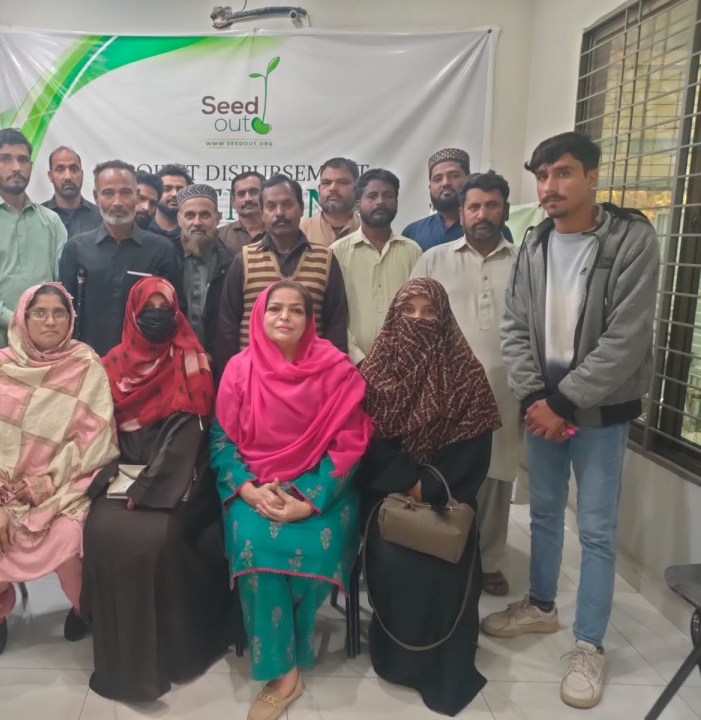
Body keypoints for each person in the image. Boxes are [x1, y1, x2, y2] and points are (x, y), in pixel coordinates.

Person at [485, 132, 660, 710]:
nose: (549, 186)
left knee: (597, 529)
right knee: (541, 513)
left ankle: (588, 645)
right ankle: (540, 606)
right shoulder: (533, 242)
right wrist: (537, 397)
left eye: (562, 173)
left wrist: (562, 404)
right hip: (542, 407)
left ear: (591, 177)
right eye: (542, 176)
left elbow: (627, 338)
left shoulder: (631, 238)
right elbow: (514, 326)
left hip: (599, 412)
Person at [211, 280, 372, 720]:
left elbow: (349, 445)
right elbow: (222, 441)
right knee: (256, 550)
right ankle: (285, 674)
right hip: (256, 487)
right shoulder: (239, 369)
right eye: (275, 308)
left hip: (323, 490)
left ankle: (282, 652)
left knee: (311, 550)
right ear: (259, 316)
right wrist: (247, 489)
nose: (284, 317)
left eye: (295, 310)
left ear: (309, 319)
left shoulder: (336, 370)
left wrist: (308, 501)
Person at [81, 276, 234, 702]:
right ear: (132, 314)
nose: (156, 317)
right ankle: (120, 660)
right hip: (123, 466)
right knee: (101, 530)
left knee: (157, 536)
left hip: (183, 474)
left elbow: (193, 430)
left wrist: (153, 485)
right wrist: (110, 471)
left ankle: (175, 653)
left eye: (164, 309)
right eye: (147, 309)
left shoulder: (192, 358)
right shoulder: (111, 363)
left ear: (176, 311)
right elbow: (98, 427)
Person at [358, 278, 500, 716]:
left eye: (429, 311)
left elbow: (475, 448)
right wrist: (405, 482)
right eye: (409, 310)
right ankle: (397, 658)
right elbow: (365, 442)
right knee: (396, 558)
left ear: (444, 319)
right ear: (394, 316)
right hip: (389, 499)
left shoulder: (466, 375)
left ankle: (442, 662)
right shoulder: (373, 375)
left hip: (447, 499)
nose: (418, 320)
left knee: (445, 563)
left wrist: (430, 487)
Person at [0, 282, 119, 656]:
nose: (50, 321)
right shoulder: (1, 366)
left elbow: (95, 442)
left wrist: (45, 484)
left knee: (70, 540)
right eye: (40, 313)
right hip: (3, 488)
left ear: (71, 319)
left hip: (65, 488)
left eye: (59, 313)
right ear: (23, 317)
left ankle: (82, 610)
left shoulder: (85, 363)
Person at [411, 170, 519, 597]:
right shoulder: (434, 259)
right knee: (447, 472)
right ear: (461, 210)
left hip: (505, 390)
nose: (482, 214)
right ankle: (442, 548)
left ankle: (489, 559)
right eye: (474, 206)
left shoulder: (524, 261)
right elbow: (413, 322)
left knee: (497, 478)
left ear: (505, 210)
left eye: (492, 205)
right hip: (445, 391)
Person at [215, 174, 349, 375]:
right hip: (254, 377)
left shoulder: (325, 259)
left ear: (301, 208)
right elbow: (227, 328)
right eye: (271, 206)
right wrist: (232, 377)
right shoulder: (244, 259)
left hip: (311, 378)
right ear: (262, 212)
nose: (279, 213)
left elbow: (336, 326)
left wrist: (333, 376)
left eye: (287, 204)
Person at [57, 160, 181, 357]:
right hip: (88, 361)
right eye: (108, 193)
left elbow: (175, 314)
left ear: (136, 195)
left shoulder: (162, 250)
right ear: (96, 197)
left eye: (125, 192)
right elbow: (64, 312)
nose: (117, 202)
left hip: (145, 362)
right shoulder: (76, 249)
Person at [0, 128, 67, 347]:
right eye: (5, 159)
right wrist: (14, 319)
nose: (16, 167)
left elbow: (60, 283)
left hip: (44, 342)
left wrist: (42, 321)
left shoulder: (51, 221)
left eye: (23, 160)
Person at [331, 168, 420, 366]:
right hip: (351, 366)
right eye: (372, 196)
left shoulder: (413, 251)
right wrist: (359, 360)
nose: (380, 201)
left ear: (396, 202)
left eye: (387, 195)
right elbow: (334, 315)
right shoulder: (337, 253)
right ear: (358, 205)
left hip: (403, 365)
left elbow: (418, 311)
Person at [403, 148, 513, 251]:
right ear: (430, 187)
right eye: (438, 179)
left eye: (454, 176)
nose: (445, 183)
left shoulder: (493, 229)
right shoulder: (413, 232)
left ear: (468, 180)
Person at [177, 183, 232, 361]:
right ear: (179, 219)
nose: (197, 222)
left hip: (217, 362)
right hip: (172, 362)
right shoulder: (165, 259)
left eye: (205, 215)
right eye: (190, 215)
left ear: (218, 218)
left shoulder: (232, 263)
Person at [42, 145, 103, 237]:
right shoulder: (38, 217)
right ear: (50, 176)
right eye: (60, 169)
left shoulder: (101, 217)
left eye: (74, 169)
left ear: (82, 174)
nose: (68, 177)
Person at [300, 157, 360, 247]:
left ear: (356, 188)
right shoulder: (300, 232)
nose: (333, 188)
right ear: (319, 189)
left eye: (343, 182)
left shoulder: (369, 231)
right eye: (326, 183)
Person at [219, 170, 266, 252]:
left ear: (266, 195)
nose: (248, 199)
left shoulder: (280, 232)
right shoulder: (220, 237)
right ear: (232, 201)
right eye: (241, 194)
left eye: (254, 192)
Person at [147, 164, 192, 241]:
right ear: (156, 192)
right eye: (167, 189)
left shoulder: (195, 234)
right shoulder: (138, 230)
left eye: (180, 190)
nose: (174, 194)